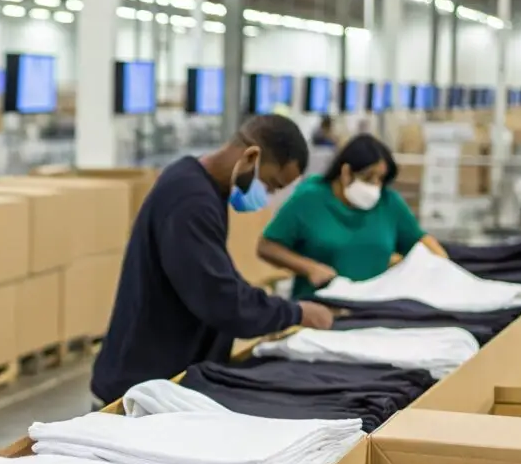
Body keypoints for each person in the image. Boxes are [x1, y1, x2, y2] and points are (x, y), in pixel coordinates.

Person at [90, 114, 336, 406]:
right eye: (270, 185)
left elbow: (219, 279)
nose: (267, 197)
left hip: (162, 380)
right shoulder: (190, 200)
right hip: (137, 392)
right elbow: (220, 298)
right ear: (252, 156)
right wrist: (294, 313)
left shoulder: (202, 187)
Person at [257, 133, 447, 300]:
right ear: (346, 172)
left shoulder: (389, 203)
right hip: (319, 308)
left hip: (373, 307)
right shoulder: (309, 199)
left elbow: (421, 242)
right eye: (368, 177)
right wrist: (309, 268)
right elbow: (267, 246)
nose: (375, 186)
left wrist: (447, 271)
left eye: (381, 179)